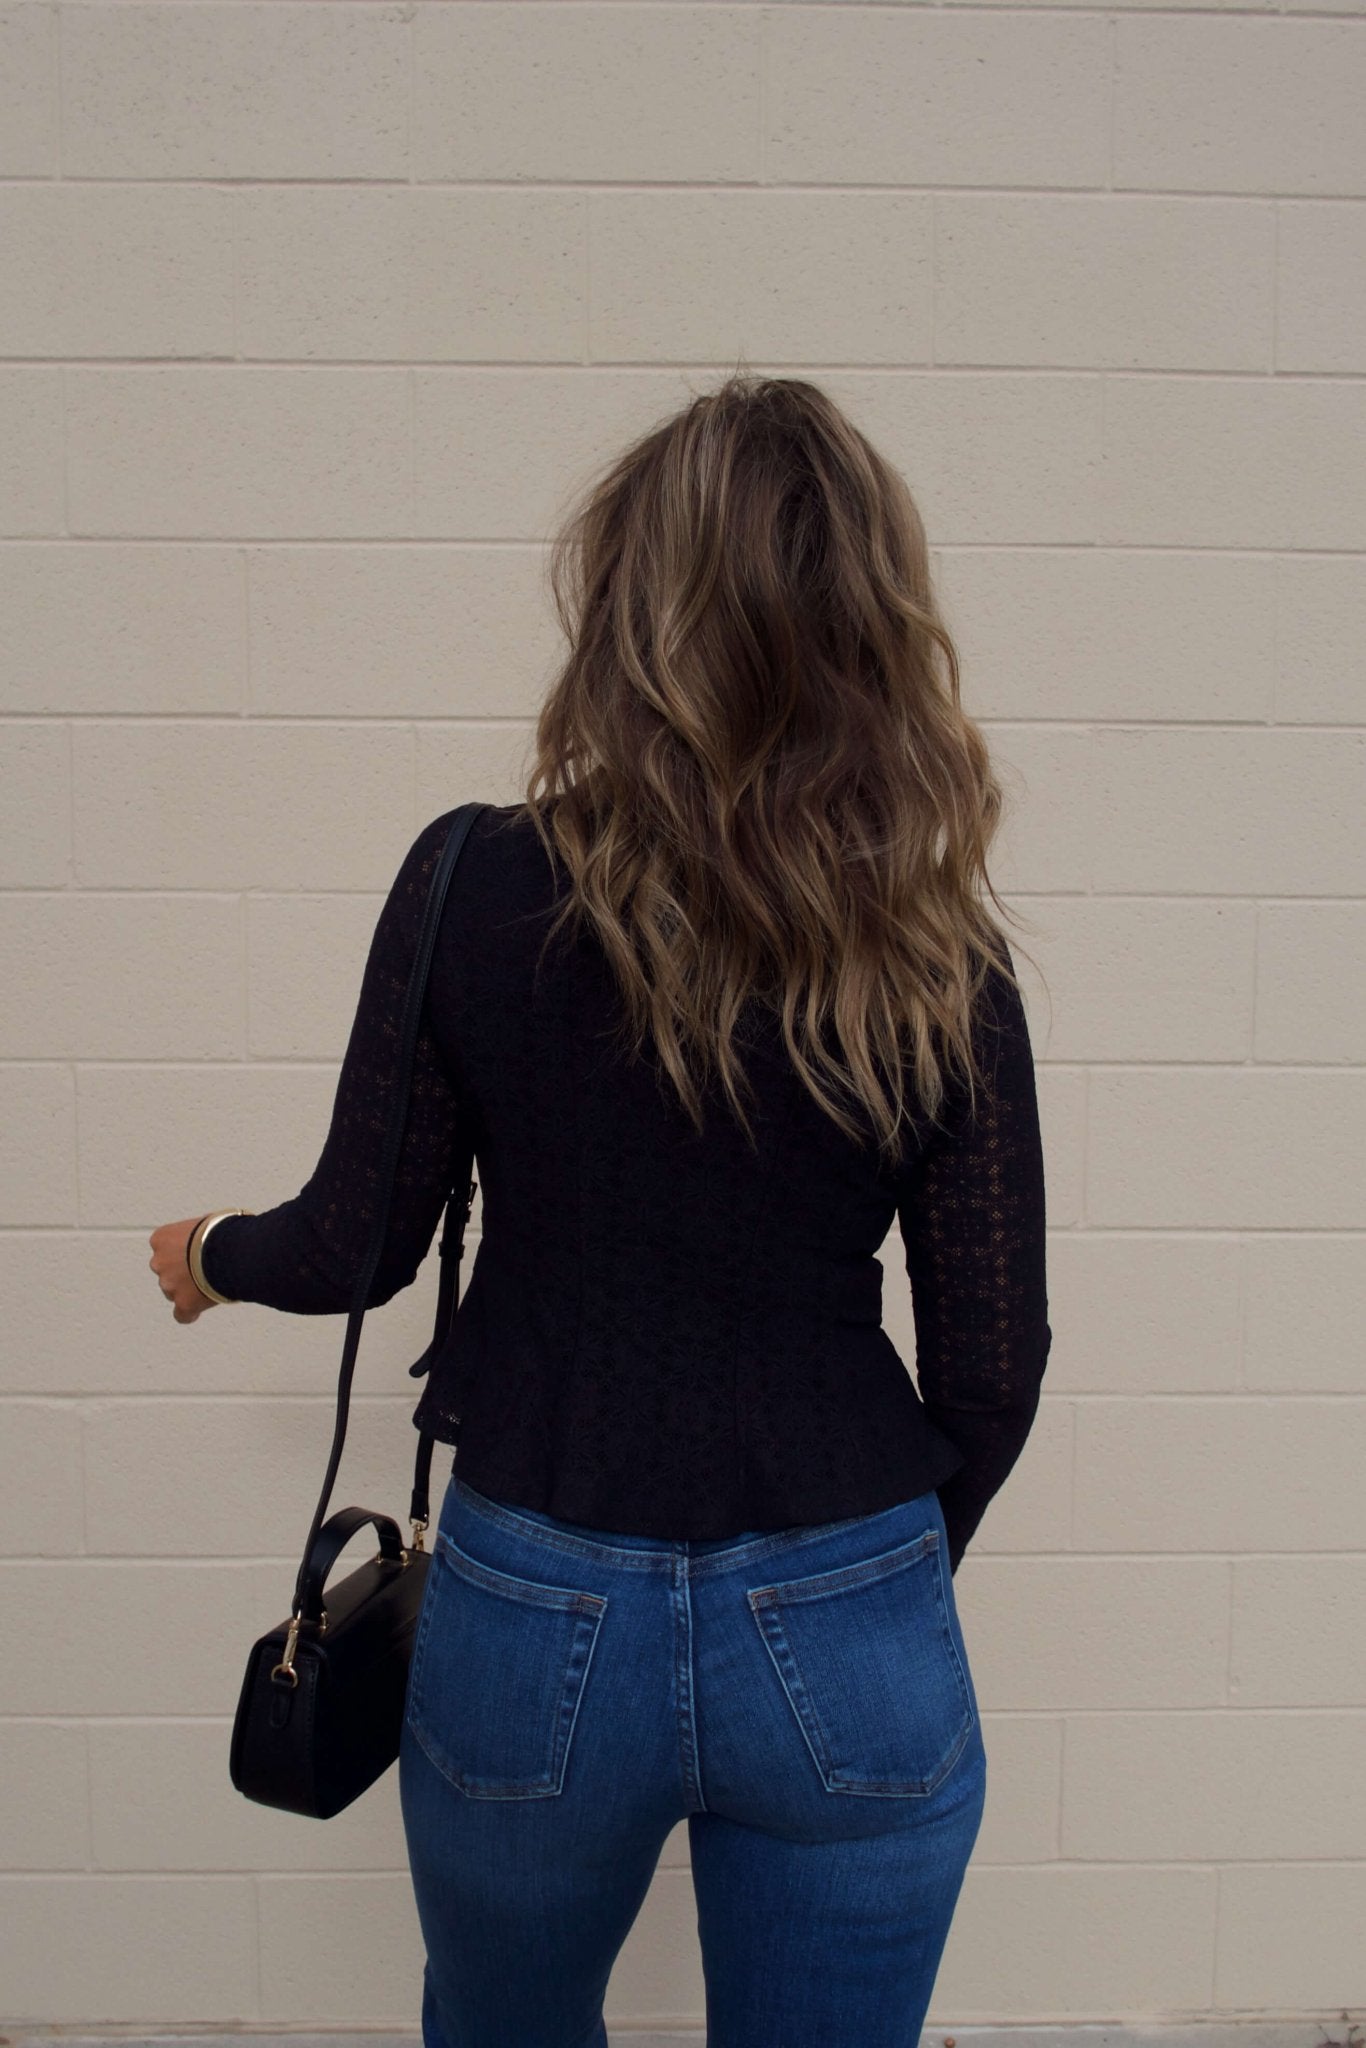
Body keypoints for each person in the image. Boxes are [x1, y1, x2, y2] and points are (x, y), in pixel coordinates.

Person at [149, 372, 1051, 2048]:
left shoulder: (474, 880)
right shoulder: (935, 942)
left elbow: (358, 1244)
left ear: (625, 608)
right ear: (873, 622)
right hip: (849, 1595)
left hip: (536, 1593)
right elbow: (991, 1367)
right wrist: (866, 1580)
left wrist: (207, 1255)